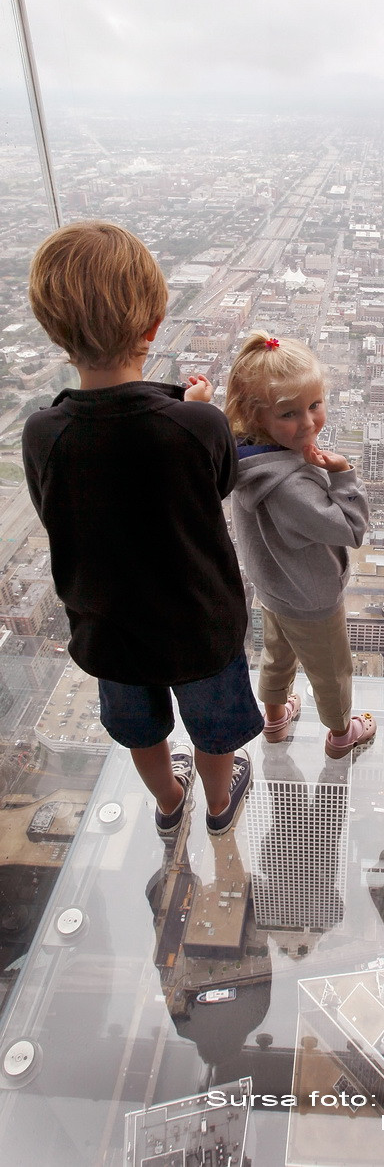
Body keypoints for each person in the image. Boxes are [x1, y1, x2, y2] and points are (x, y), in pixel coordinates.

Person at [23, 222, 264, 837]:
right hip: (199, 624)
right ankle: (217, 805)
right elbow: (218, 482)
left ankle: (167, 802)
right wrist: (199, 406)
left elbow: (56, 503)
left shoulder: (43, 435)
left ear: (56, 334)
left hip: (111, 630)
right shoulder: (196, 425)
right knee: (214, 731)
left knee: (140, 728)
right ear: (153, 326)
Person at [225, 333, 375, 758]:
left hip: (274, 587)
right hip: (311, 598)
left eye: (314, 405)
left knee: (276, 655)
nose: (308, 422)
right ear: (258, 418)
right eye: (290, 413)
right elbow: (352, 527)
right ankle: (342, 735)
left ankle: (274, 720)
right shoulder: (290, 485)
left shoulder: (247, 460)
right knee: (331, 672)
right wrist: (343, 474)